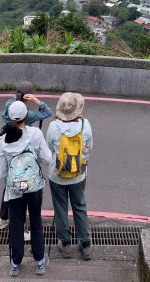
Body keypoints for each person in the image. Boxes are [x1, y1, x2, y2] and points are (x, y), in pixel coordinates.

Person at [0, 100, 51, 276]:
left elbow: (1, 170)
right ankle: (40, 261)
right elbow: (47, 158)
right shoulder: (35, 133)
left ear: (9, 117)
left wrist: (7, 184)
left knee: (16, 223)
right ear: (26, 116)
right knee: (35, 221)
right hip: (34, 186)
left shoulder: (4, 139)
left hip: (14, 190)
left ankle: (15, 263)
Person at [0, 82, 53, 231]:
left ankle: (3, 219)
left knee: (9, 185)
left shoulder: (9, 104)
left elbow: (1, 170)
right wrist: (38, 102)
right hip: (24, 155)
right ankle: (21, 229)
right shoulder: (27, 115)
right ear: (28, 96)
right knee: (23, 185)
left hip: (7, 144)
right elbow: (48, 113)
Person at [46, 92, 93, 260]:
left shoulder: (53, 127)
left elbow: (50, 149)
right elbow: (88, 148)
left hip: (57, 175)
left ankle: (65, 243)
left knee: (61, 208)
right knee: (79, 206)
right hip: (79, 174)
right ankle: (85, 244)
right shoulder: (85, 125)